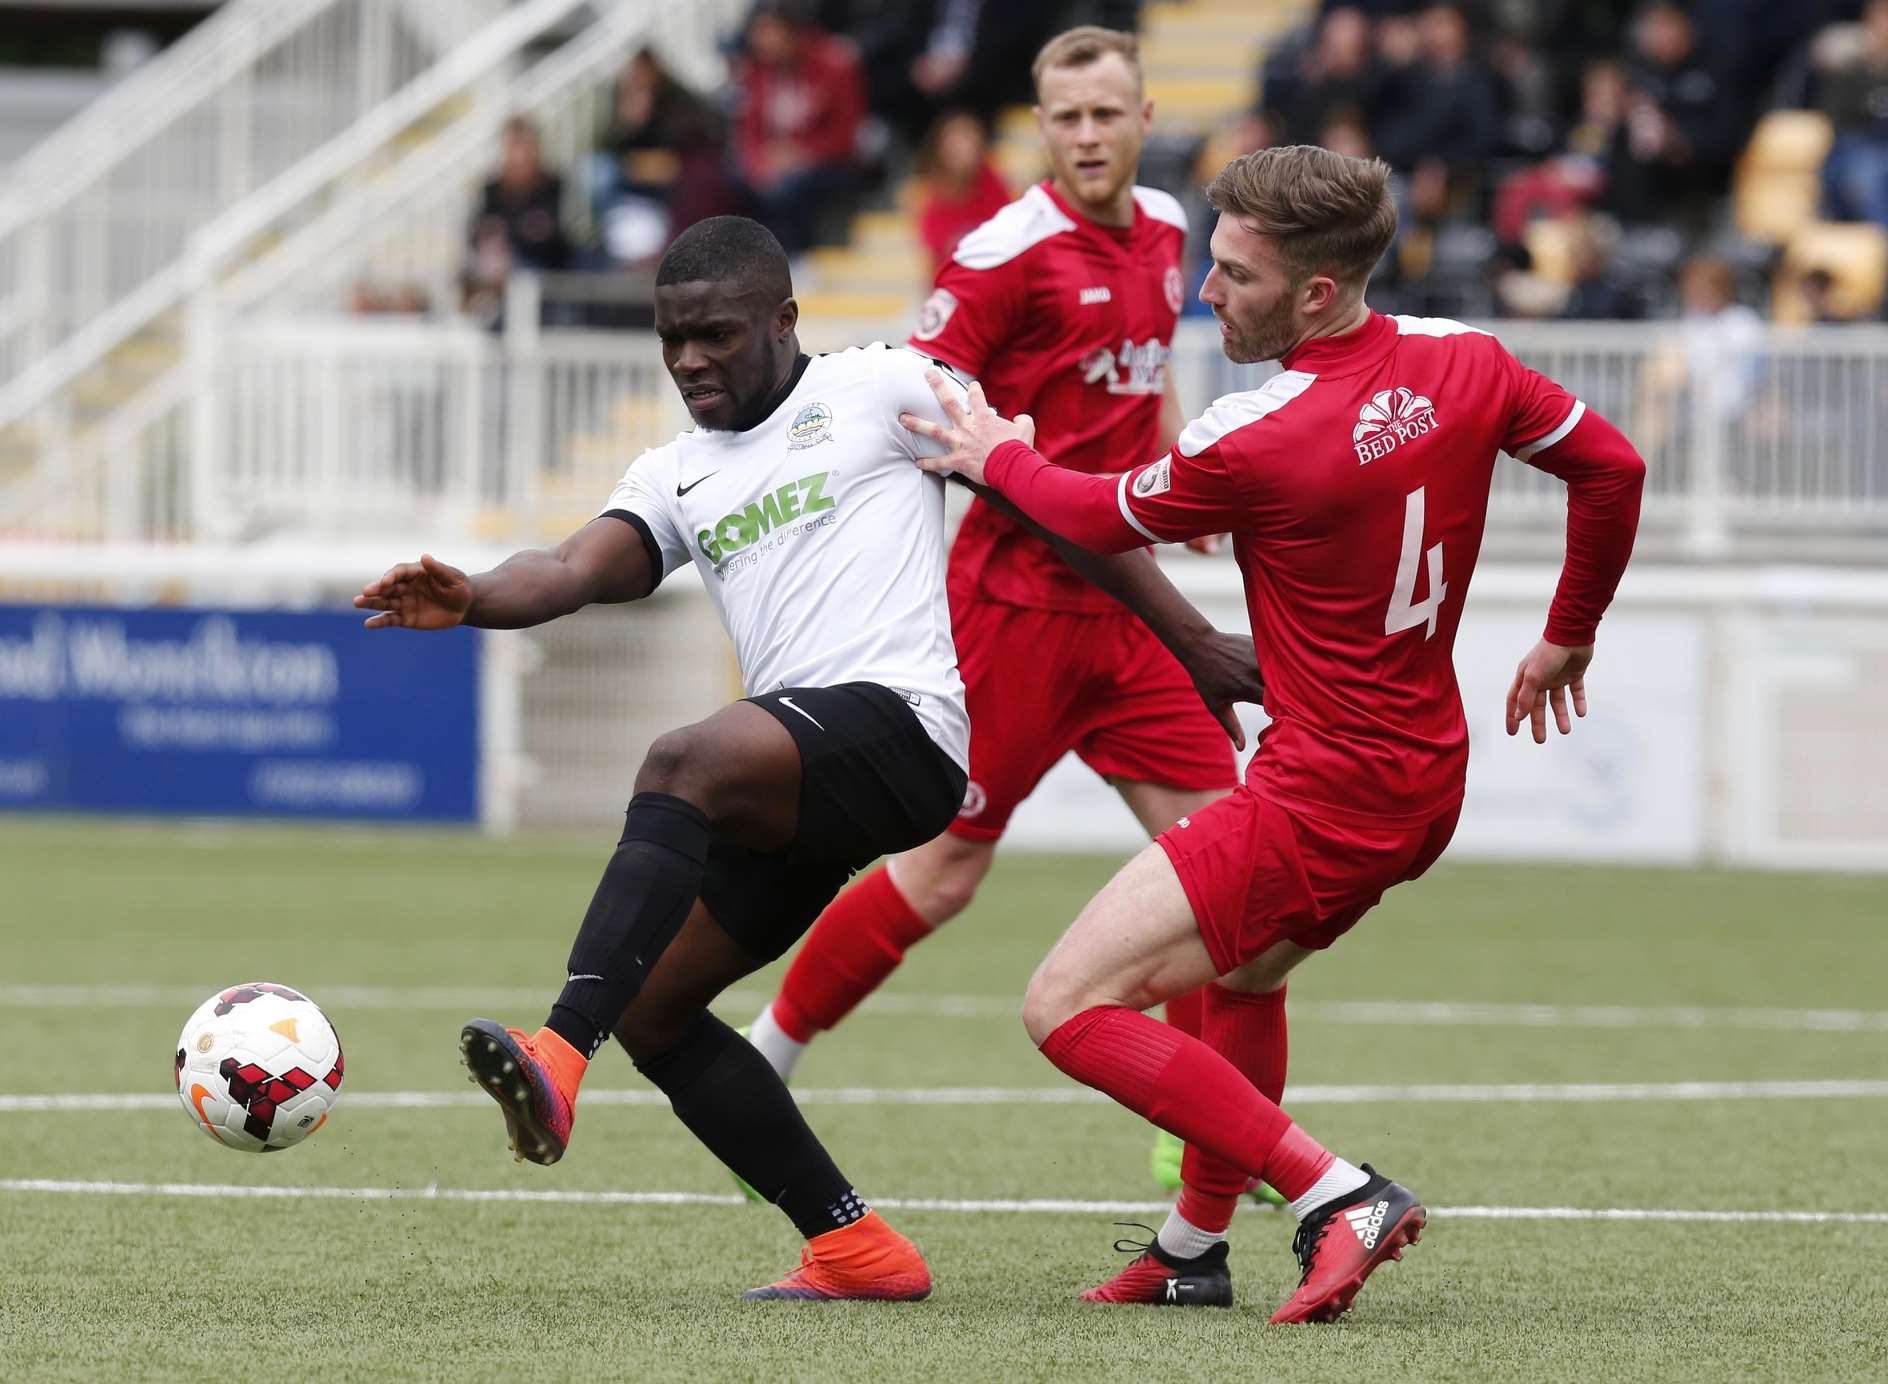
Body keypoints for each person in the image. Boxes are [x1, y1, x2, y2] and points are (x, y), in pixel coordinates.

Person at [351, 214, 1252, 1302]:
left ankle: (555, 1054)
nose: (689, 361)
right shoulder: (677, 470)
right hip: (800, 779)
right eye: (671, 339)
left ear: (783, 320)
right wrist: (476, 596)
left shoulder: (886, 389)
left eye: (714, 335)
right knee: (658, 1009)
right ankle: (852, 1244)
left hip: (906, 731)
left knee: (685, 756)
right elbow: (575, 565)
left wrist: (1190, 637)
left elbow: (1046, 504)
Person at [898, 144, 1646, 1319]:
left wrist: (996, 452)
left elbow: (1092, 512)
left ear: (1314, 291)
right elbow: (1613, 467)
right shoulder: (1469, 359)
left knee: (1065, 1004)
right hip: (1418, 779)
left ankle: (1332, 1190)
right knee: (1241, 979)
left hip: (1322, 792)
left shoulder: (1260, 434)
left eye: (1235, 275)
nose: (1206, 291)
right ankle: (1192, 1249)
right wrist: (1570, 632)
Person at [743, 26, 1268, 1203]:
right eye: (1066, 117)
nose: (1087, 135)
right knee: (940, 878)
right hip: (1012, 612)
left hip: (1129, 617)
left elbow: (1144, 377)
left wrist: (1174, 480)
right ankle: (770, 1053)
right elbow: (917, 407)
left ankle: (1203, 1146)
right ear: (1041, 126)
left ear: (1143, 119)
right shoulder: (1002, 254)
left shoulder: (1175, 229)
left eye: (1107, 114)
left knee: (1223, 869)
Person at [914, 111, 1010, 269]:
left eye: (968, 140)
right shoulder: (929, 194)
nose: (964, 149)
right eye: (956, 144)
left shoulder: (994, 182)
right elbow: (934, 256)